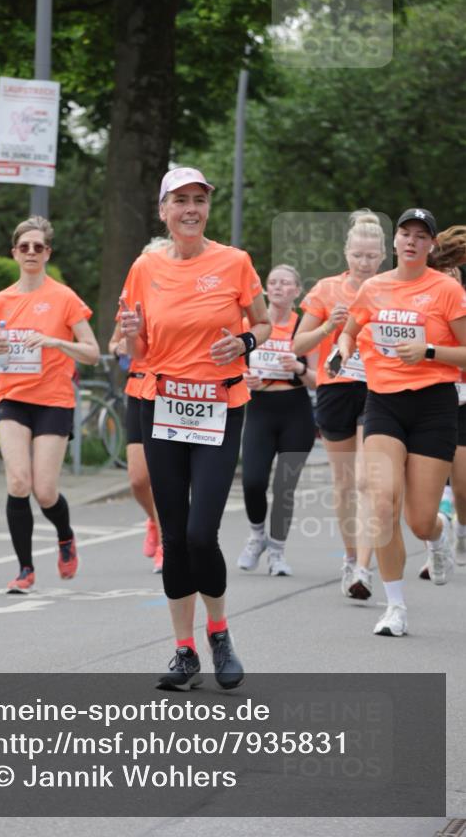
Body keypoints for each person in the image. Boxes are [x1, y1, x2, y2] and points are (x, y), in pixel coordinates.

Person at [120, 166, 270, 691]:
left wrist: (245, 344)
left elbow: (265, 321)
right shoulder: (144, 266)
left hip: (219, 405)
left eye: (198, 200)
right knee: (177, 536)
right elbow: (133, 349)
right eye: (179, 200)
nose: (190, 209)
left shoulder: (234, 262)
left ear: (207, 208)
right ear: (163, 210)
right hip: (160, 406)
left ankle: (220, 633)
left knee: (202, 533)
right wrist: (130, 337)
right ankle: (183, 650)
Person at [333, 209, 466, 636]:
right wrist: (343, 348)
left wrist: (428, 352)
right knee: (382, 502)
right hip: (384, 404)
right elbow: (351, 330)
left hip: (434, 407)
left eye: (420, 236)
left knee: (420, 519)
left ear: (430, 245)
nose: (411, 241)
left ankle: (439, 535)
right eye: (405, 234)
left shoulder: (446, 290)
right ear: (394, 242)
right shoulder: (373, 288)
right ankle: (395, 608)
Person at [0, 216, 99, 594]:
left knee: (45, 491)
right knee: (18, 481)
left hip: (52, 400)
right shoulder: (1, 301)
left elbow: (93, 353)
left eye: (39, 247)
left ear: (48, 253)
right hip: (12, 397)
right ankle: (25, 569)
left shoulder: (64, 297)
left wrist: (55, 342)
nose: (31, 252)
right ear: (14, 253)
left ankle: (65, 535)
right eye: (24, 247)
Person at [294, 210, 386, 600]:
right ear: (346, 253)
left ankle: (364, 569)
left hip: (377, 387)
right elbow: (298, 346)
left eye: (371, 256)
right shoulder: (326, 289)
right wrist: (329, 326)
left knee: (367, 481)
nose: (364, 263)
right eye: (357, 256)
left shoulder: (391, 288)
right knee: (345, 482)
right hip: (335, 388)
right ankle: (350, 558)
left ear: (383, 256)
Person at [237, 264, 317, 577]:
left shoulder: (303, 327)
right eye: (272, 282)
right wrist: (245, 380)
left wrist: (297, 369)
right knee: (253, 482)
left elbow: (317, 379)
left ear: (297, 291)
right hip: (259, 409)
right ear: (265, 290)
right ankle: (257, 535)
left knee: (284, 487)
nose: (278, 287)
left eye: (285, 283)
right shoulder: (251, 324)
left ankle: (278, 553)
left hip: (295, 412)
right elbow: (231, 369)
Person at [108, 240, 170, 575]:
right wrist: (122, 347)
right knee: (137, 478)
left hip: (171, 393)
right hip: (138, 389)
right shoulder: (132, 300)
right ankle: (153, 521)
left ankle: (165, 540)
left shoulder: (178, 300)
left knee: (164, 476)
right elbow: (115, 342)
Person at [417, 233, 466, 576]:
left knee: (462, 484)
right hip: (433, 397)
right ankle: (436, 546)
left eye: (453, 275)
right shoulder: (425, 305)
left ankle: (460, 532)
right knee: (428, 486)